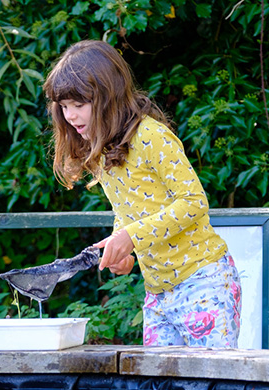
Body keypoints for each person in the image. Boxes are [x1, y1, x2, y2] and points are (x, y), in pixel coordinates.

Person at [43, 40, 241, 347]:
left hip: (204, 284)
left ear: (108, 97)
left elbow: (194, 202)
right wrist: (122, 246)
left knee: (210, 388)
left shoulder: (151, 136)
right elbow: (128, 208)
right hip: (157, 293)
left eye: (78, 105)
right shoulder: (100, 149)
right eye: (64, 107)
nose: (69, 116)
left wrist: (131, 237)